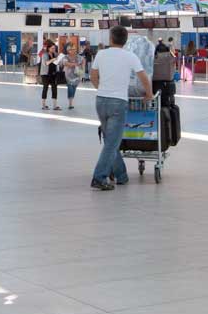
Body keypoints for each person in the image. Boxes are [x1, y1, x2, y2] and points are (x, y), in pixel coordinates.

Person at [88, 26, 150, 191]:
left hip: (101, 101)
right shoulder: (130, 56)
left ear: (111, 39)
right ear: (125, 40)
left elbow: (93, 76)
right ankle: (99, 177)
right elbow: (143, 77)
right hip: (118, 102)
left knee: (110, 141)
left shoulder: (101, 54)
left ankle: (121, 175)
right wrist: (149, 94)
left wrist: (101, 89)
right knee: (112, 143)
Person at [37, 40, 64, 110]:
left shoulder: (55, 54)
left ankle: (55, 106)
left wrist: (59, 60)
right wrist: (53, 59)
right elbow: (46, 63)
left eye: (54, 48)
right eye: (52, 48)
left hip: (54, 73)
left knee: (54, 89)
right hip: (45, 74)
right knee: (45, 88)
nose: (53, 49)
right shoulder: (44, 54)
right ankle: (43, 105)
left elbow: (58, 63)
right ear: (48, 48)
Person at [63, 43, 84, 110]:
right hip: (68, 76)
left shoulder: (79, 57)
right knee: (70, 88)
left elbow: (83, 62)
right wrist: (75, 64)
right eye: (71, 49)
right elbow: (65, 63)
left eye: (74, 49)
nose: (72, 50)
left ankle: (71, 100)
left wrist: (82, 73)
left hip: (77, 76)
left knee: (74, 88)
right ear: (68, 50)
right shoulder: (66, 57)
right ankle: (70, 103)